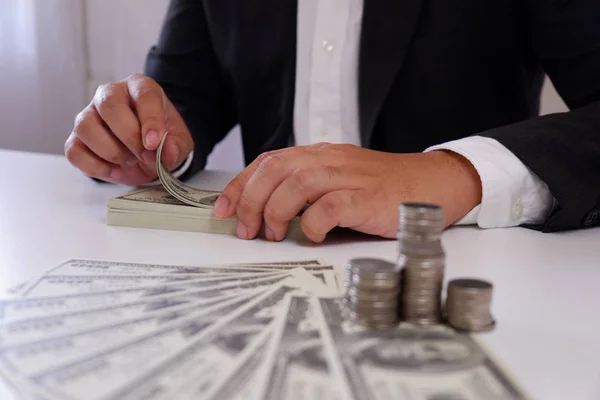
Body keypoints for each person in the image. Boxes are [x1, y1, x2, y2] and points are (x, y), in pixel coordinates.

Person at [65, 0, 600, 243]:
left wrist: (455, 173)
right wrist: (140, 137)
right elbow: (186, 91)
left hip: (476, 266)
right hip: (262, 252)